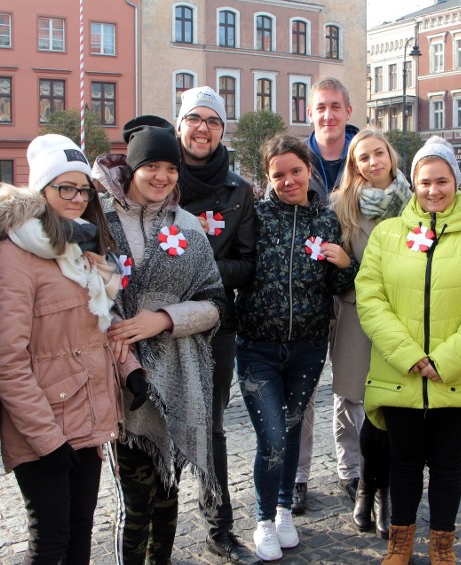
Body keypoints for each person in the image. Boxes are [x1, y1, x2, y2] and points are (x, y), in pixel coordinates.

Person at [0, 134, 147, 563]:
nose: (76, 199)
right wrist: (46, 439)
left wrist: (130, 369)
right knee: (50, 541)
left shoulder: (77, 245)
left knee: (79, 534)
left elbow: (96, 323)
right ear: (41, 190)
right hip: (45, 427)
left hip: (87, 418)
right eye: (64, 188)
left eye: (83, 189)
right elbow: (7, 360)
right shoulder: (15, 254)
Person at [356, 137, 461, 565]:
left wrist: (446, 361)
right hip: (400, 372)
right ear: (415, 183)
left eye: (442, 181)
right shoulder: (388, 234)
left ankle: (443, 544)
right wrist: (410, 356)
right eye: (425, 181)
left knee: (446, 465)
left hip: (455, 375)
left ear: (456, 183)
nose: (433, 190)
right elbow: (371, 298)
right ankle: (400, 544)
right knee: (403, 464)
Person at [91, 115, 226, 565]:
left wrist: (164, 319)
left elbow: (215, 305)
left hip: (178, 375)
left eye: (170, 168)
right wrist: (121, 330)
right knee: (135, 502)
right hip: (123, 378)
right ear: (133, 168)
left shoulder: (187, 225)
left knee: (168, 494)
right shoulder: (99, 218)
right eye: (151, 167)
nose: (162, 177)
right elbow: (83, 290)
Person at [236, 135, 357, 561]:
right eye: (278, 174)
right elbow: (235, 265)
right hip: (258, 348)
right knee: (270, 436)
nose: (288, 181)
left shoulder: (325, 221)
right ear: (268, 177)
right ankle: (264, 518)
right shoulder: (255, 217)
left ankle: (285, 507)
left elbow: (340, 286)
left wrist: (346, 265)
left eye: (296, 171)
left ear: (309, 170)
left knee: (288, 431)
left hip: (307, 347)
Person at [173, 86, 260, 565]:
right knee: (154, 426)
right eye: (194, 118)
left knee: (210, 427)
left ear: (222, 129)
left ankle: (219, 527)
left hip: (214, 323)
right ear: (180, 124)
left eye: (212, 120)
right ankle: (153, 528)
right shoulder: (159, 178)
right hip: (156, 325)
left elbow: (247, 265)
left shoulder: (238, 191)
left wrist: (200, 266)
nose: (202, 127)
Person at [329, 129, 412, 539]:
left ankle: (383, 495)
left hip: (403, 319)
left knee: (394, 410)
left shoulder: (414, 203)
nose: (373, 162)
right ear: (354, 165)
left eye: (378, 153)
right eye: (363, 157)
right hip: (357, 314)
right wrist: (348, 267)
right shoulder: (342, 205)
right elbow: (332, 271)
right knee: (358, 403)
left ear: (390, 156)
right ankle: (364, 485)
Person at [295, 77, 361, 514]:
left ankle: (351, 469)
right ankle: (297, 476)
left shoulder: (367, 156)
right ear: (311, 112)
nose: (328, 115)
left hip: (356, 286)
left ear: (348, 111)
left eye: (335, 106)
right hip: (308, 288)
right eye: (321, 107)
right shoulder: (298, 159)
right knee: (300, 387)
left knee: (351, 385)